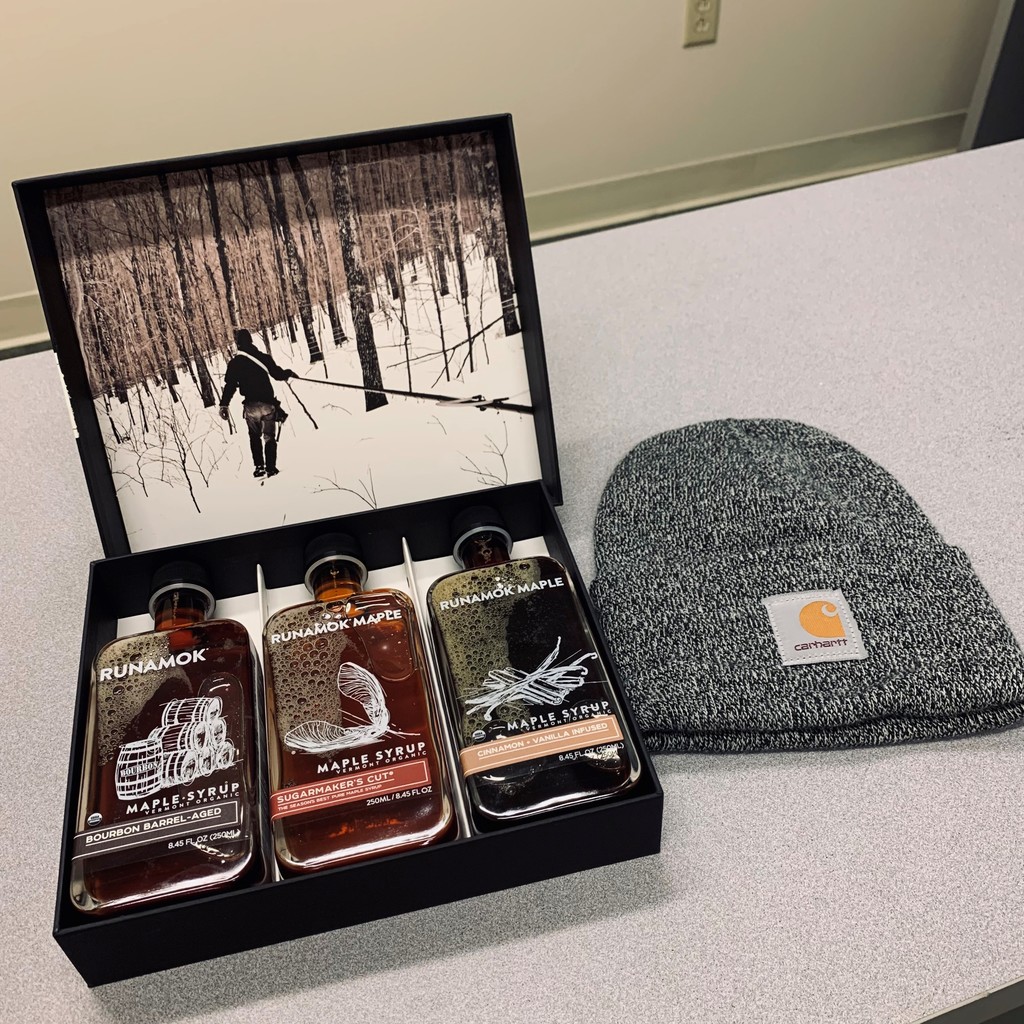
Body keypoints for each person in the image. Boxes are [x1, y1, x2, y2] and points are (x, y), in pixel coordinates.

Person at [219, 329, 298, 478]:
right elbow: (277, 374)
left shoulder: (235, 363)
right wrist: (289, 373)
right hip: (267, 404)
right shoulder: (263, 358)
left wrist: (224, 405)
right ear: (251, 341)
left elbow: (230, 386)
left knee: (254, 437)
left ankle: (259, 467)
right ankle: (271, 468)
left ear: (238, 344)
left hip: (250, 406)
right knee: (269, 437)